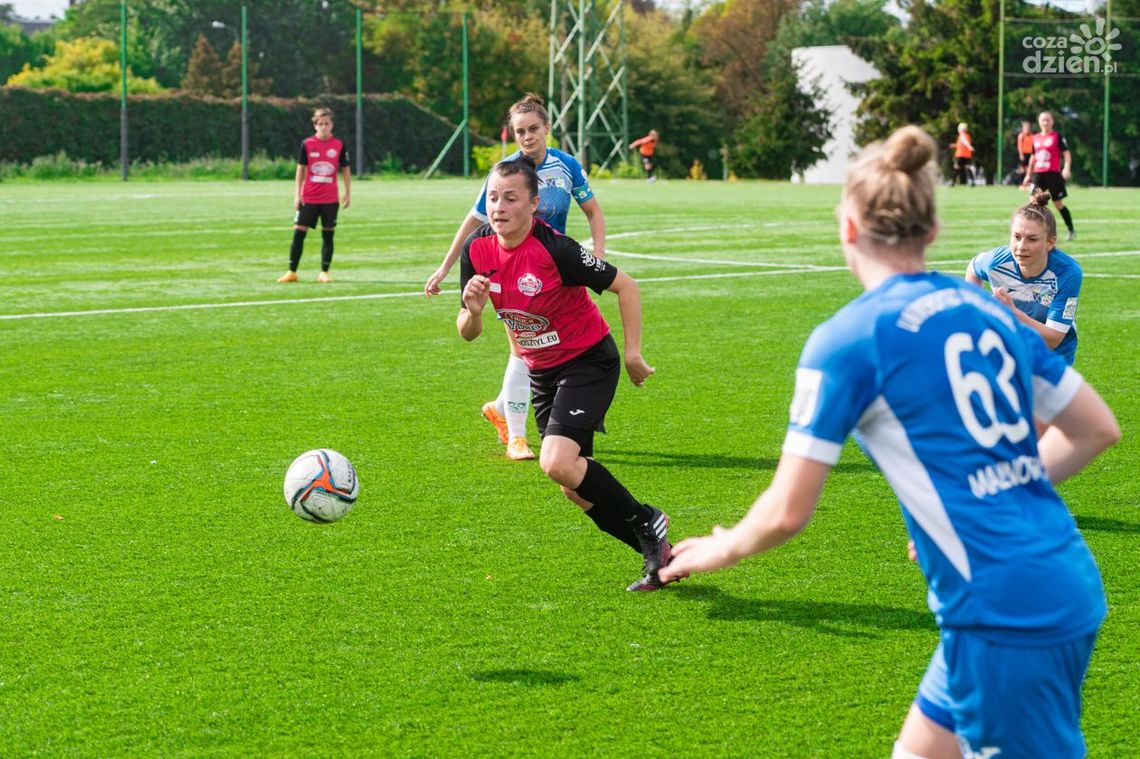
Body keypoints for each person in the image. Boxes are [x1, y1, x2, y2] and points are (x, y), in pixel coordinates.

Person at [659, 126, 1120, 757]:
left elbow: (787, 511)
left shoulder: (846, 341)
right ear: (932, 233)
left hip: (1002, 610)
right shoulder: (985, 309)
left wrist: (722, 547)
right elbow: (1097, 429)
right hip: (1055, 574)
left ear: (847, 229)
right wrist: (982, 497)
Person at [457, 156, 675, 592]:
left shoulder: (557, 249)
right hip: (542, 374)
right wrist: (474, 311)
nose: (498, 207)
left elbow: (626, 287)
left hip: (588, 361)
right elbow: (467, 331)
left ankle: (648, 520)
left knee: (555, 461)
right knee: (573, 486)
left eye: (511, 198)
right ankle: (661, 559)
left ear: (535, 203)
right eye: (493, 197)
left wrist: (633, 353)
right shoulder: (477, 249)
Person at [425, 93, 606, 461]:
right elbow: (475, 220)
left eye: (533, 129)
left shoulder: (566, 165)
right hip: (512, 269)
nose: (527, 137)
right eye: (520, 131)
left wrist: (597, 257)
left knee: (546, 349)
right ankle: (517, 437)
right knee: (523, 351)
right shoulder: (506, 172)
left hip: (556, 271)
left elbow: (593, 211)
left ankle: (503, 409)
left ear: (547, 129)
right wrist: (445, 267)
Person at [966, 192, 1082, 365]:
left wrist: (1012, 313)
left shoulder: (1068, 272)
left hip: (1054, 357)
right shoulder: (995, 262)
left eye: (1032, 239)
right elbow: (973, 268)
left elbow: (1053, 339)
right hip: (1011, 349)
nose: (1021, 247)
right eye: (1016, 237)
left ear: (1050, 242)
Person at [278, 107, 351, 283]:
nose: (324, 127)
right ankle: (291, 271)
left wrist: (347, 192)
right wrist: (297, 194)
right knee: (298, 233)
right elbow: (300, 169)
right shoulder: (307, 144)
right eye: (320, 124)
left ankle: (324, 272)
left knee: (328, 234)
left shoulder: (339, 145)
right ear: (315, 125)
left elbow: (345, 169)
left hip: (330, 198)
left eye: (327, 124)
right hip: (309, 197)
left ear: (332, 125)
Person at [1027, 110, 1076, 241]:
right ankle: (1033, 232)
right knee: (1032, 202)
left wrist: (1066, 168)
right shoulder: (1035, 138)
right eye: (1043, 119)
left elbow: (1066, 154)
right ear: (1039, 122)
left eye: (1048, 119)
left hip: (1053, 174)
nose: (1045, 122)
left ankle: (1071, 229)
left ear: (1052, 122)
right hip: (1038, 174)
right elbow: (1033, 157)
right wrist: (1028, 174)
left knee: (1058, 203)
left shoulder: (1057, 137)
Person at [1016, 120, 1034, 189]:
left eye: (1028, 127)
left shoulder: (1032, 136)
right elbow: (1019, 146)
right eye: (1025, 127)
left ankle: (1029, 185)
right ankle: (1022, 185)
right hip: (1024, 154)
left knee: (1029, 170)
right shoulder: (1021, 136)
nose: (1027, 129)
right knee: (1022, 170)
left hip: (1031, 154)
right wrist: (1021, 155)